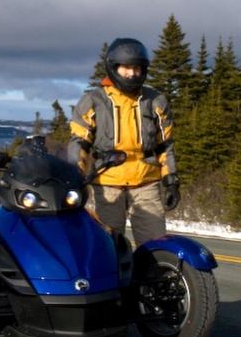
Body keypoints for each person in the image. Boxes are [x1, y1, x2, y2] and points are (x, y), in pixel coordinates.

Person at [68, 37, 180, 246]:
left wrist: (171, 180)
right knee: (109, 244)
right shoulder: (94, 101)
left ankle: (152, 277)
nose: (132, 73)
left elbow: (164, 145)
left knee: (155, 243)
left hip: (146, 181)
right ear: (113, 67)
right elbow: (79, 144)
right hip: (108, 182)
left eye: (137, 68)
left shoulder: (155, 101)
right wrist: (75, 176)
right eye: (126, 68)